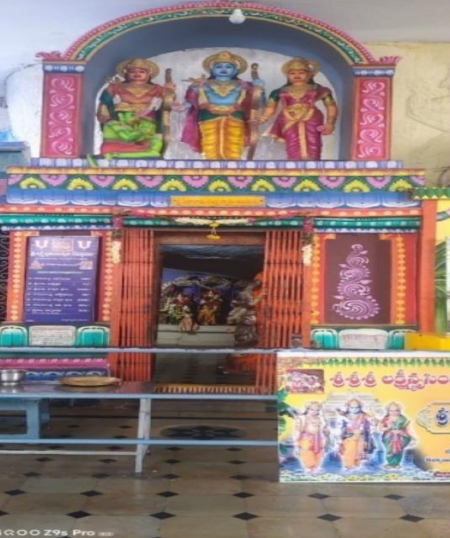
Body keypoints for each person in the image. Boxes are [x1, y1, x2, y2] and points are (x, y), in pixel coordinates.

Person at [176, 50, 265, 159]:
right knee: (210, 142)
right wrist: (182, 107)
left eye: (228, 67)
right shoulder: (201, 84)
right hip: (208, 116)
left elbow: (259, 102)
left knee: (234, 142)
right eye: (219, 66)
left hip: (235, 116)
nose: (223, 69)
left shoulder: (244, 85)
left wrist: (260, 89)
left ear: (235, 71)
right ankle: (210, 165)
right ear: (212, 70)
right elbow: (191, 101)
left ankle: (233, 165)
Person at [259, 58, 338, 160]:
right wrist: (263, 118)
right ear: (287, 75)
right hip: (288, 118)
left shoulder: (318, 89)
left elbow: (331, 106)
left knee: (313, 141)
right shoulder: (279, 91)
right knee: (292, 141)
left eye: (301, 73)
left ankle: (313, 164)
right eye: (292, 73)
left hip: (311, 117)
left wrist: (330, 123)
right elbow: (270, 107)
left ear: (309, 75)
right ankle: (294, 163)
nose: (297, 75)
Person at [97, 58, 174, 158]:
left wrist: (169, 90)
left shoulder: (156, 88)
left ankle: (141, 148)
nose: (137, 74)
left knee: (152, 143)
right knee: (107, 146)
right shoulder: (117, 87)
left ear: (149, 74)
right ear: (126, 73)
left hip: (146, 119)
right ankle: (123, 149)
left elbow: (169, 99)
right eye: (133, 71)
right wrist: (104, 116)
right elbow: (105, 101)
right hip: (122, 118)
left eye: (142, 71)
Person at [337, 398, 374, 470]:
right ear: (348, 407)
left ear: (360, 408)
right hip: (348, 436)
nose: (354, 409)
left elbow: (369, 426)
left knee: (359, 450)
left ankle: (357, 463)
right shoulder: (344, 416)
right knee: (350, 450)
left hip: (361, 436)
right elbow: (341, 427)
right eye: (352, 407)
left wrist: (362, 431)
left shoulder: (364, 416)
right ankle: (349, 464)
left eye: (357, 407)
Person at [379, 402, 415, 468]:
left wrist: (401, 432)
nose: (394, 412)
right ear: (388, 411)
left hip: (400, 437)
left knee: (399, 449)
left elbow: (407, 428)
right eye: (391, 411)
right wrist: (388, 428)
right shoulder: (385, 419)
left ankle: (397, 463)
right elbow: (380, 428)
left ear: (400, 411)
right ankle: (390, 463)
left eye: (396, 410)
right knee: (389, 450)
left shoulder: (403, 419)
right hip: (388, 437)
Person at [295, 401, 328, 472]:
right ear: (307, 409)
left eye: (317, 410)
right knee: (307, 452)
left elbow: (322, 429)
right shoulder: (302, 418)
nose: (314, 412)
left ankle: (316, 466)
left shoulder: (320, 418)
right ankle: (309, 467)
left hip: (318, 438)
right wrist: (296, 442)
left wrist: (325, 432)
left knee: (318, 452)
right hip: (306, 438)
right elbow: (298, 431)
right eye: (312, 409)